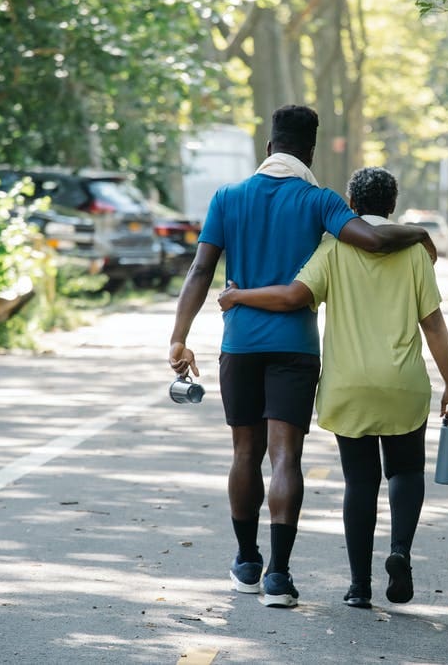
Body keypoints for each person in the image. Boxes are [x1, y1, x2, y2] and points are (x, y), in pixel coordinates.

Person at [168, 106, 433, 609]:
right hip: (295, 348)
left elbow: (200, 270)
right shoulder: (321, 201)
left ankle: (246, 561)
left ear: (268, 148)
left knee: (245, 453)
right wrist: (417, 232)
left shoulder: (227, 197)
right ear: (310, 152)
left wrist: (179, 337)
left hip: (240, 344)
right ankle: (279, 576)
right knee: (285, 456)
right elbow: (374, 240)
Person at [217, 166, 448, 609]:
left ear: (351, 204)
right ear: (392, 205)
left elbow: (293, 296)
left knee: (360, 481)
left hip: (348, 385)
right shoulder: (413, 252)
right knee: (405, 471)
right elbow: (433, 323)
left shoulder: (333, 248)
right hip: (402, 382)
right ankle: (400, 551)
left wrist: (238, 296)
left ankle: (359, 587)